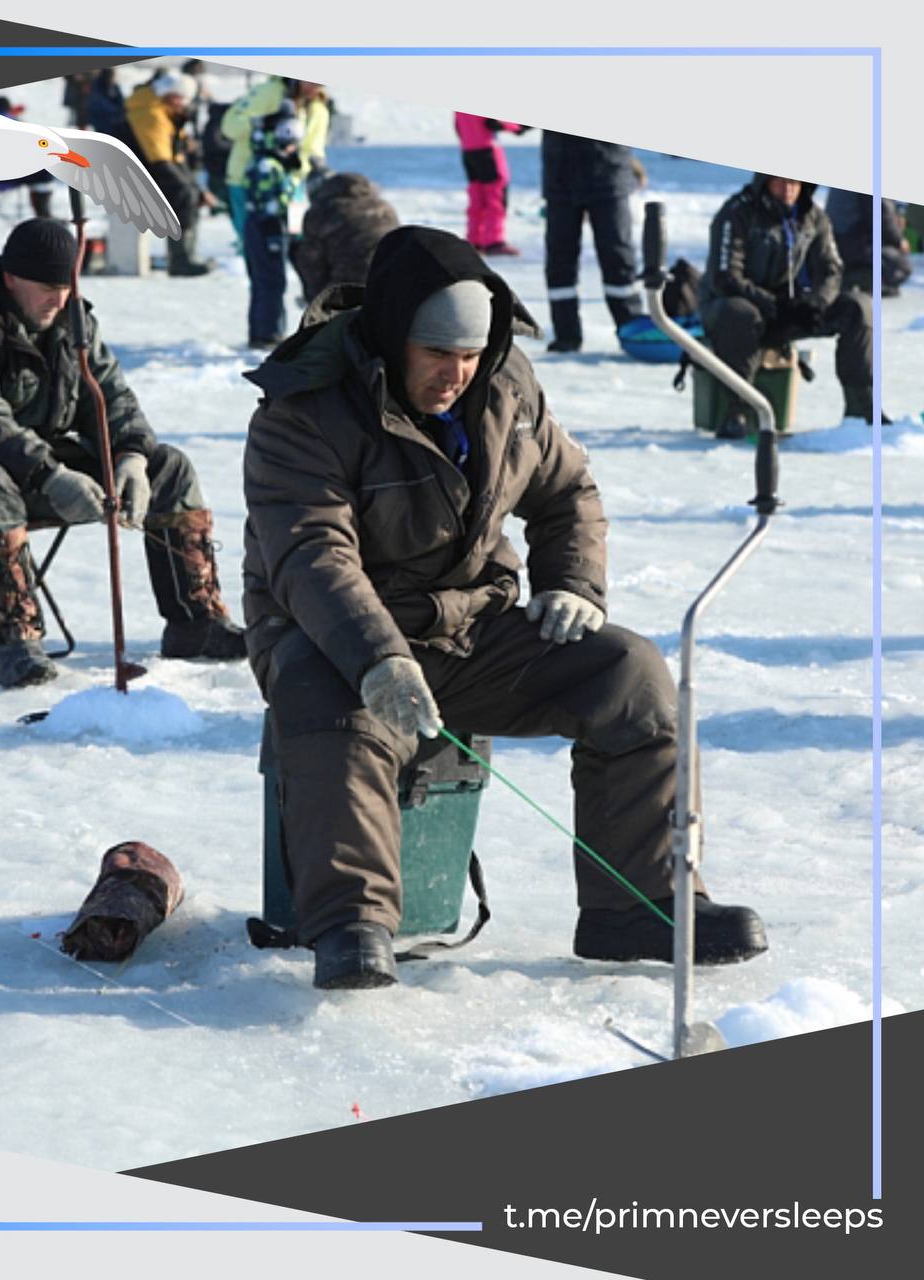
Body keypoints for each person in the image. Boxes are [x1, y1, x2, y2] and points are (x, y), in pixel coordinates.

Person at [241, 224, 767, 989]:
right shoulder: (305, 408)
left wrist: (571, 585)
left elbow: (567, 493)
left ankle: (639, 906)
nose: (457, 373)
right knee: (342, 708)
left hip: (468, 627)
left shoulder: (506, 388)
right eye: (437, 354)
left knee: (629, 673)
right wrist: (380, 656)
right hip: (329, 634)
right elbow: (312, 557)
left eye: (469, 354)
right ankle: (354, 922)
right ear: (391, 336)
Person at [0, 219, 246, 689]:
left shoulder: (75, 324)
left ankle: (196, 622)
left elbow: (111, 397)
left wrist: (132, 456)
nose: (58, 299)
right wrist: (50, 475)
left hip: (43, 470)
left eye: (66, 287)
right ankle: (16, 642)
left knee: (171, 467)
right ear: (10, 279)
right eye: (47, 287)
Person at [700, 174, 876, 434]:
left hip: (787, 308)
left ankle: (861, 408)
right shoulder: (736, 213)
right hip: (734, 307)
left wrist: (816, 303)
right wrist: (772, 303)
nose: (788, 189)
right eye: (780, 181)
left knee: (857, 306)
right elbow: (725, 277)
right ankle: (737, 409)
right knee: (740, 313)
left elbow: (832, 270)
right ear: (764, 182)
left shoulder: (813, 217)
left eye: (795, 182)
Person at [541, 130, 645, 353]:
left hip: (609, 174)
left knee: (618, 256)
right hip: (560, 177)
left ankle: (632, 329)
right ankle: (566, 334)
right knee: (560, 260)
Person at [221, 77, 329, 251]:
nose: (315, 88)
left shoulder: (318, 110)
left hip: (293, 188)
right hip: (250, 182)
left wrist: (315, 169)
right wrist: (261, 122)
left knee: (297, 246)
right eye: (311, 82)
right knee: (256, 246)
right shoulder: (268, 93)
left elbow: (314, 150)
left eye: (320, 84)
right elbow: (230, 127)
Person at [124, 70, 213, 277]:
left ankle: (186, 255)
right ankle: (179, 260)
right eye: (181, 99)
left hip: (150, 165)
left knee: (191, 191)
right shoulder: (151, 113)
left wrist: (197, 187)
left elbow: (176, 156)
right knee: (183, 193)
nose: (184, 104)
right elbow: (159, 158)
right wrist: (188, 187)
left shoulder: (165, 111)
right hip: (138, 169)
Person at [242, 110, 305, 348]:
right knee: (269, 281)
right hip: (266, 226)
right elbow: (268, 202)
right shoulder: (267, 166)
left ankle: (266, 331)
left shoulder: (277, 163)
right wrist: (275, 228)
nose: (293, 147)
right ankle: (267, 334)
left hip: (274, 225)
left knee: (270, 280)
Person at [291, 171, 399, 304]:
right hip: (392, 283)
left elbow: (311, 265)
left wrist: (314, 301)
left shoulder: (320, 212)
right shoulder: (385, 207)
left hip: (348, 288)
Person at [454, 113, 528, 256]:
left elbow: (457, 126)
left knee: (476, 196)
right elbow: (493, 122)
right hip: (487, 149)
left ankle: (474, 239)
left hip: (468, 151)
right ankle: (493, 241)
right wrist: (517, 127)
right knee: (496, 195)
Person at [824, 189, 913, 297]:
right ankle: (859, 279)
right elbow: (880, 216)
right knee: (902, 266)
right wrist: (899, 240)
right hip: (850, 246)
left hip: (836, 245)